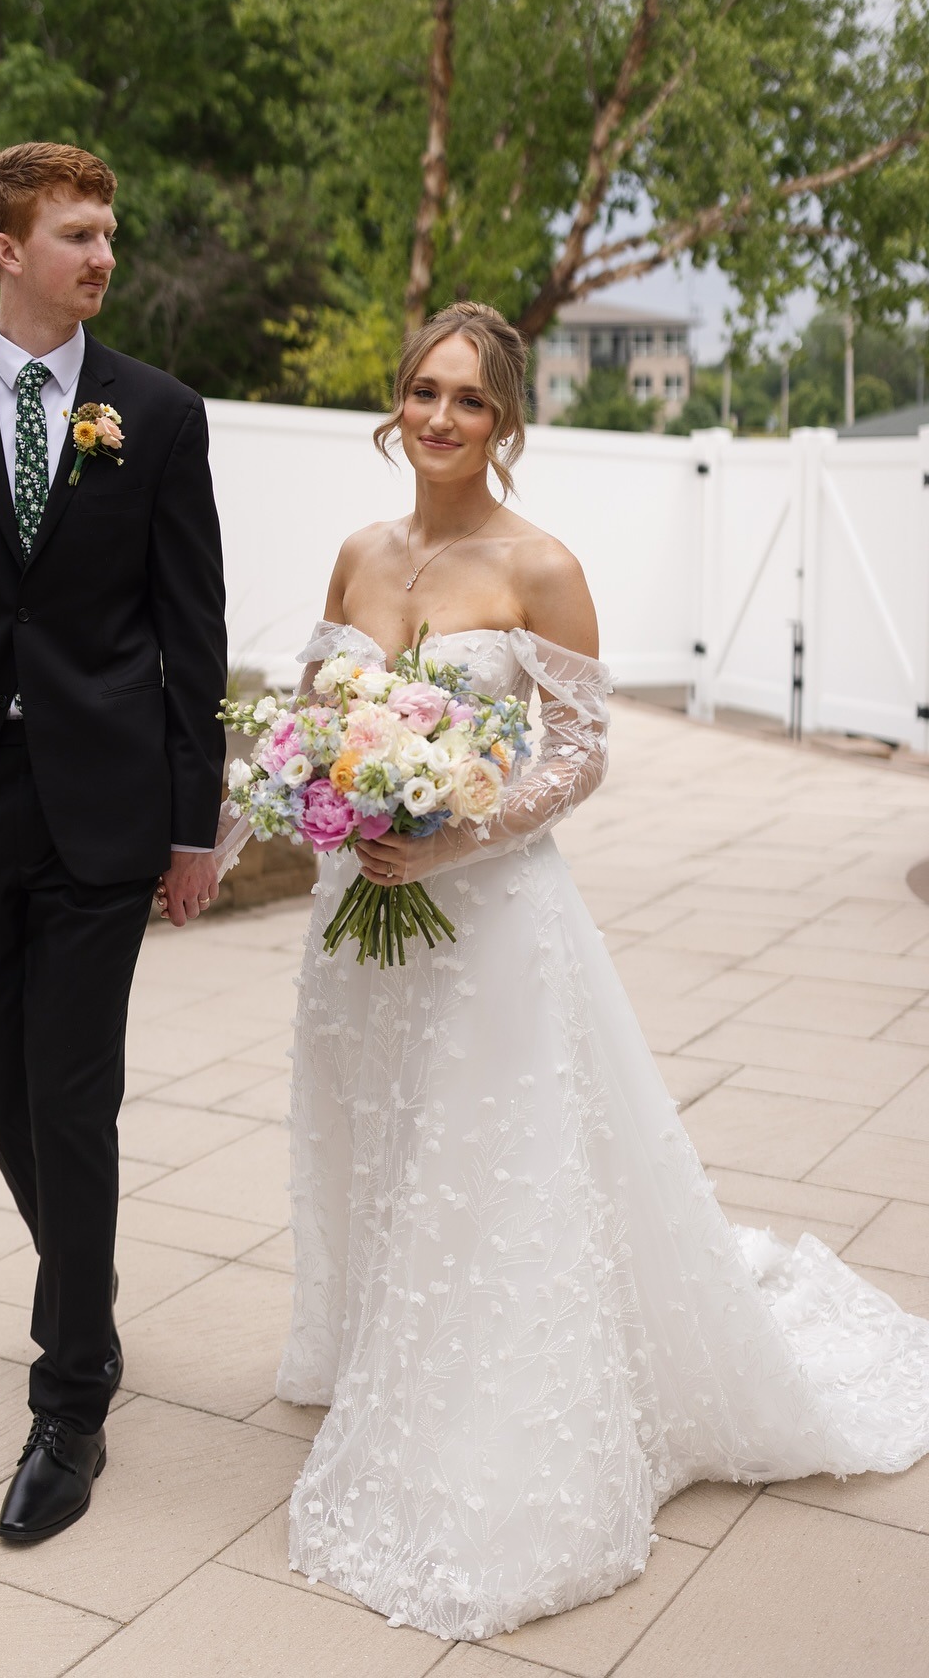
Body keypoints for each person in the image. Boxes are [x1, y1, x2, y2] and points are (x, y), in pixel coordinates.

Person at [271, 301, 929, 1639]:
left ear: (506, 424)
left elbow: (579, 750)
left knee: (485, 1146)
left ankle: (487, 1397)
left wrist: (458, 828)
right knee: (377, 1124)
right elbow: (308, 713)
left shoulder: (540, 564)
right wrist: (317, 789)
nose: (441, 417)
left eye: (469, 401)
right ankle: (382, 1346)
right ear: (394, 402)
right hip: (360, 906)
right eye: (423, 392)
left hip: (488, 912)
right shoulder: (357, 553)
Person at [0, 141, 226, 1543]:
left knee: (73, 1099)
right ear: (5, 248)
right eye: (76, 232)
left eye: (109, 233)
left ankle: (71, 1397)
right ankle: (88, 1282)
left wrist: (191, 823)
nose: (102, 255)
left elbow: (193, 633)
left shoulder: (159, 413)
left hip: (101, 807)